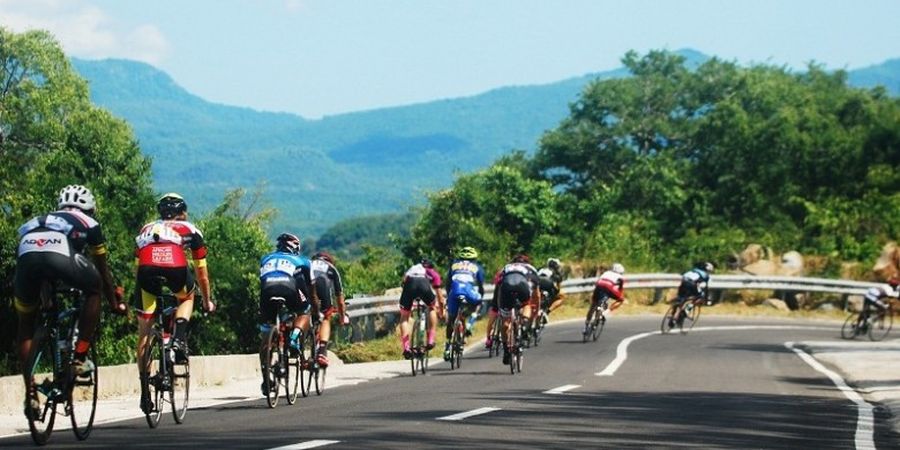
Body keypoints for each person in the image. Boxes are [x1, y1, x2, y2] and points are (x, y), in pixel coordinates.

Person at [14, 185, 126, 416]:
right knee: (94, 289)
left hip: (26, 253)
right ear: (90, 208)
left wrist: (46, 298)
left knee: (26, 326)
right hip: (60, 255)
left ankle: (31, 394)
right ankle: (79, 358)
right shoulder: (89, 223)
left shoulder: (39, 219)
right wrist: (114, 302)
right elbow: (102, 271)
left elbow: (37, 258)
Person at [134, 193, 215, 412]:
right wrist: (207, 301)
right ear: (183, 212)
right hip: (175, 266)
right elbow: (202, 274)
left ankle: (144, 392)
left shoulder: (146, 228)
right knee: (187, 297)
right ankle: (177, 339)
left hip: (147, 270)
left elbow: (137, 265)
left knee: (144, 332)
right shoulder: (191, 229)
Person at [258, 233, 312, 393]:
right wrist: (313, 305)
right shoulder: (302, 261)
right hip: (288, 287)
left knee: (266, 334)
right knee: (304, 312)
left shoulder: (265, 258)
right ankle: (294, 338)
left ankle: (266, 380)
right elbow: (310, 288)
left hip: (267, 290)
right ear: (295, 247)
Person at [495, 254, 540, 365]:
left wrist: (500, 306)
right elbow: (537, 295)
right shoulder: (531, 268)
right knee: (526, 305)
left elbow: (498, 287)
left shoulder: (506, 267)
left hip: (506, 289)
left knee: (505, 323)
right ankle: (524, 325)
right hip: (522, 287)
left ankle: (506, 349)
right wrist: (536, 309)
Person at [443, 246, 485, 361]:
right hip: (467, 291)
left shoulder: (454, 265)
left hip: (454, 291)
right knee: (479, 303)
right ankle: (469, 324)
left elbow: (448, 283)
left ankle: (447, 347)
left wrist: (449, 296)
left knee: (451, 319)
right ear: (474, 258)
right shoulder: (477, 267)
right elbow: (480, 286)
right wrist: (481, 296)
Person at [398, 258, 444, 359]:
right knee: (432, 308)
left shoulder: (413, 268)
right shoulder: (433, 273)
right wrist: (441, 312)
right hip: (424, 285)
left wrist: (409, 308)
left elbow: (404, 282)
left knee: (404, 317)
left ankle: (406, 348)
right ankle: (431, 340)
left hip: (410, 284)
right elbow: (440, 298)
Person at [309, 251, 347, 367]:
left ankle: (298, 340)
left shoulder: (309, 264)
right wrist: (342, 317)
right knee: (326, 317)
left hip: (308, 286)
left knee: (303, 313)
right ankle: (322, 351)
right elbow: (340, 300)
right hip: (323, 286)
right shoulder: (332, 269)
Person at [584, 263, 625, 333]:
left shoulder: (606, 273)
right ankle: (606, 312)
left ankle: (586, 326)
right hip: (609, 288)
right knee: (621, 300)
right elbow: (620, 290)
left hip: (599, 286)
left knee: (593, 305)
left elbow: (598, 282)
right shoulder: (620, 277)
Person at [670, 261, 714, 326]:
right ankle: (686, 311)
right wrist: (706, 299)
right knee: (699, 297)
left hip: (684, 282)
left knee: (681, 298)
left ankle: (673, 314)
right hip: (692, 284)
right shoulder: (706, 275)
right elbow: (706, 288)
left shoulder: (694, 270)